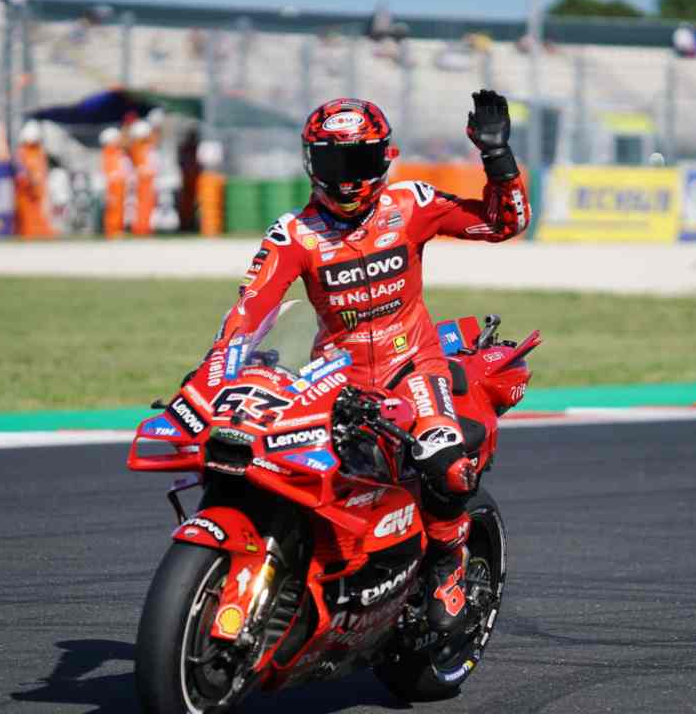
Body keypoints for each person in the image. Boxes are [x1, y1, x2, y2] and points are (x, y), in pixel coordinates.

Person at [205, 91, 530, 635]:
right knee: (284, 470)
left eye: (359, 162)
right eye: (335, 163)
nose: (347, 178)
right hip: (334, 379)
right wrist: (217, 377)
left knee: (445, 462)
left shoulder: (412, 205)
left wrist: (497, 159)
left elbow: (502, 223)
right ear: (313, 164)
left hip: (414, 369)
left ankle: (449, 565)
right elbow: (248, 312)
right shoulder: (294, 234)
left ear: (385, 160)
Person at [14, 120, 54, 238]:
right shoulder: (21, 153)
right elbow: (21, 173)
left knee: (42, 216)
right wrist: (29, 182)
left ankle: (42, 233)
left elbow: (43, 170)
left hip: (40, 191)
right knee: (28, 217)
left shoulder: (40, 152)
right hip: (27, 192)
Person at [100, 127, 132, 238]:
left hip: (120, 183)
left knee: (120, 208)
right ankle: (111, 230)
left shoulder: (118, 152)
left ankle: (118, 229)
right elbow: (109, 170)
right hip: (113, 185)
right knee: (113, 208)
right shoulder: (108, 152)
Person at [127, 119, 157, 235]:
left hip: (147, 178)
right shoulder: (138, 147)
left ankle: (145, 227)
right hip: (143, 179)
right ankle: (141, 228)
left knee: (147, 205)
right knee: (143, 205)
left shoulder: (145, 146)